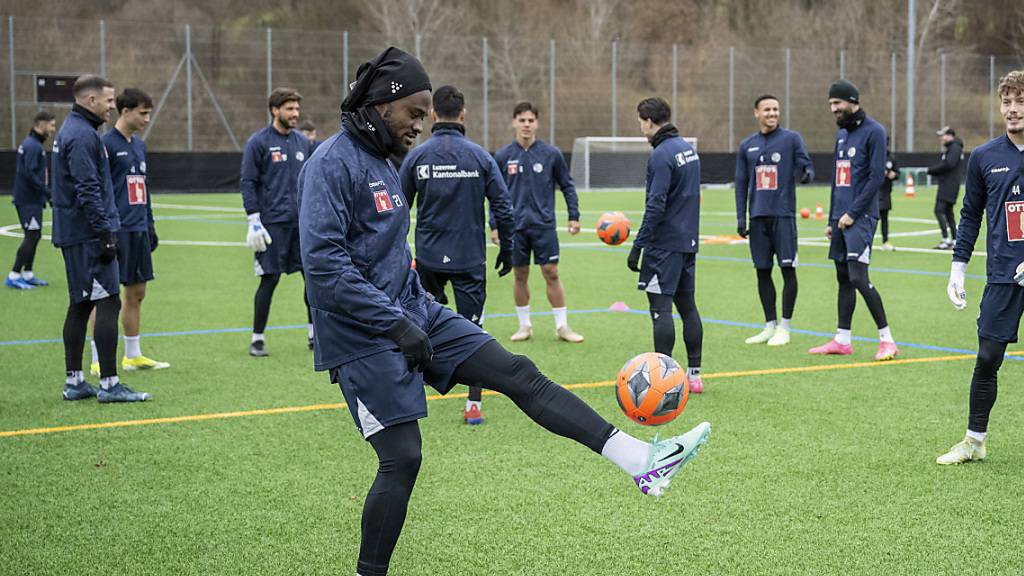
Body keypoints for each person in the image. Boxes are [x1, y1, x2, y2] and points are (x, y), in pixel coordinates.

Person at [297, 47, 710, 576]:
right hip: (363, 337)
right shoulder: (330, 165)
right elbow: (325, 270)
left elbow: (387, 251)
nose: (421, 126)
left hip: (415, 311)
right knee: (403, 459)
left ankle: (642, 462)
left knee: (519, 373)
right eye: (414, 114)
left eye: (426, 115)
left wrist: (412, 313)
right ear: (381, 105)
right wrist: (394, 322)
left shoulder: (385, 161)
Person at [398, 85, 515, 425]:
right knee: (473, 331)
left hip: (430, 259)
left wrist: (399, 255)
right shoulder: (479, 156)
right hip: (469, 259)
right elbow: (504, 208)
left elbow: (397, 210)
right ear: (463, 114)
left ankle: (411, 400)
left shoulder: (417, 156)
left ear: (433, 114)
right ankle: (474, 404)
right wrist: (507, 249)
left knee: (419, 326)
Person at [937, 70, 1024, 465]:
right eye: (1007, 102)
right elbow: (970, 215)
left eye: (1020, 101)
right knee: (988, 357)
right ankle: (974, 441)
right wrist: (958, 266)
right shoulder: (985, 157)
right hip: (1004, 276)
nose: (1013, 109)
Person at [51, 75, 150, 403]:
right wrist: (105, 232)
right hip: (88, 235)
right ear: (90, 100)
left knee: (80, 304)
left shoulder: (76, 130)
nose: (112, 106)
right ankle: (109, 384)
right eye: (108, 101)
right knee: (107, 301)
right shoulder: (81, 136)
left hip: (77, 233)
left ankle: (74, 381)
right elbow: (87, 188)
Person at [809, 79, 899, 361]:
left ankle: (887, 340)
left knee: (859, 277)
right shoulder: (842, 135)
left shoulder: (874, 131)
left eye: (837, 103)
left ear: (852, 101)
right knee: (843, 277)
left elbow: (875, 179)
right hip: (841, 218)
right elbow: (839, 179)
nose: (834, 109)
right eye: (831, 105)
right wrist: (833, 217)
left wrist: (852, 213)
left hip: (861, 217)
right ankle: (842, 339)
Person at [86, 88, 169, 376]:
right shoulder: (105, 144)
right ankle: (97, 358)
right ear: (125, 111)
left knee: (137, 292)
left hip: (138, 230)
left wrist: (150, 224)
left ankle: (132, 355)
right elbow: (96, 189)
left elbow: (143, 190)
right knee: (105, 295)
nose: (147, 118)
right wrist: (103, 228)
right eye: (142, 112)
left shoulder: (139, 146)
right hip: (115, 229)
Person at [630, 97, 705, 394]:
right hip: (688, 241)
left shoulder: (661, 154)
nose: (640, 126)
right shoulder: (688, 149)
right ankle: (694, 376)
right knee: (687, 306)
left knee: (661, 309)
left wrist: (639, 244)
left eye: (640, 121)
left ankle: (666, 381)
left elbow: (656, 203)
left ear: (648, 119)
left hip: (664, 246)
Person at [493, 102, 584, 343]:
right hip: (515, 228)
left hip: (544, 226)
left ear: (537, 124)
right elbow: (495, 194)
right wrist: (494, 225)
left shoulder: (551, 154)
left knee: (551, 272)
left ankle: (562, 327)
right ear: (514, 122)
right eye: (522, 120)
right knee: (519, 274)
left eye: (530, 120)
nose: (526, 125)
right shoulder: (503, 156)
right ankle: (524, 326)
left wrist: (574, 215)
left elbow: (567, 185)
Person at [734, 94, 814, 347]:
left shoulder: (791, 139)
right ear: (756, 113)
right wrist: (741, 217)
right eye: (766, 109)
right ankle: (769, 325)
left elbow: (806, 164)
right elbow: (741, 183)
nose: (772, 113)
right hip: (758, 216)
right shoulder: (748, 145)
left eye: (775, 109)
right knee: (762, 271)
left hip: (783, 215)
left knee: (788, 270)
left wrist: (806, 173)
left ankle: (785, 326)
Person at [240, 87, 313, 356]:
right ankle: (257, 338)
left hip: (302, 225)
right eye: (290, 109)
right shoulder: (258, 143)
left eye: (297, 108)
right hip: (271, 225)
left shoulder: (303, 143)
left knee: (313, 280)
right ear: (275, 110)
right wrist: (253, 219)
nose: (295, 114)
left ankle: (314, 334)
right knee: (269, 280)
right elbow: (248, 182)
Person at [7, 110, 56, 290]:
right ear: (40, 124)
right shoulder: (33, 146)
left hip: (32, 199)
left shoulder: (33, 144)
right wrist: (47, 192)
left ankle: (27, 274)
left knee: (35, 236)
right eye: (51, 124)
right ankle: (13, 275)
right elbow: (28, 174)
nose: (53, 128)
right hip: (28, 200)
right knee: (31, 236)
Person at [927, 126, 964, 250]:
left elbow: (949, 164)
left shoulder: (954, 148)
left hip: (949, 186)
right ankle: (954, 240)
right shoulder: (952, 148)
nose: (941, 138)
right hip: (949, 185)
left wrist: (932, 170)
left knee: (938, 210)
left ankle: (946, 239)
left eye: (943, 136)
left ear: (950, 136)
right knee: (948, 213)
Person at [879, 137, 899, 251]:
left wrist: (894, 175)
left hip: (886, 192)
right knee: (871, 218)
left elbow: (897, 173)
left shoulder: (891, 157)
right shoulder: (873, 155)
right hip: (873, 192)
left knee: (884, 218)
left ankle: (885, 241)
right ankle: (866, 241)